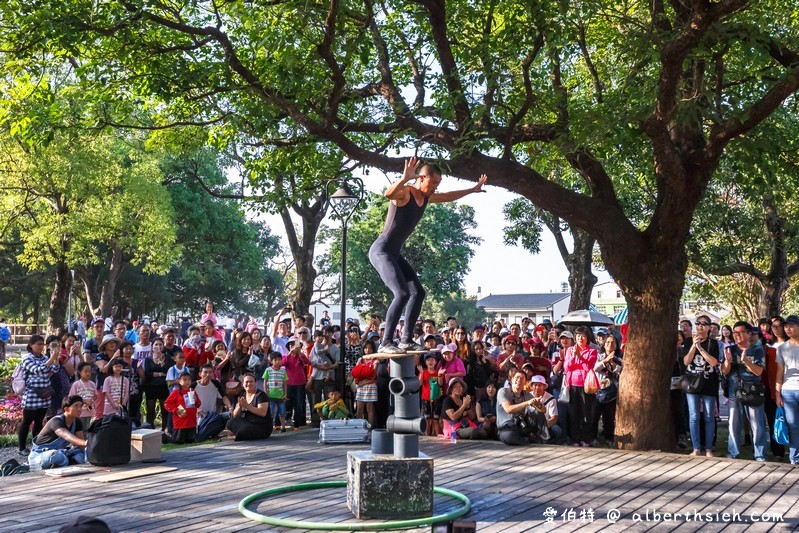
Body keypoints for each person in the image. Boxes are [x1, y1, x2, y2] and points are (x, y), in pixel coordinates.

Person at [369, 157, 487, 354]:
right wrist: (404, 178)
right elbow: (388, 194)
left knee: (418, 292)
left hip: (395, 253)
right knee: (402, 293)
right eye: (433, 183)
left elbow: (448, 196)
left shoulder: (426, 198)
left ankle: (406, 339)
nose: (435, 187)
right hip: (381, 251)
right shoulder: (406, 193)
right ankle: (386, 341)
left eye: (438, 184)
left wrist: (472, 189)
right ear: (422, 178)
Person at [722, 321, 768, 461]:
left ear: (749, 334)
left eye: (741, 332)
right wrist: (728, 361)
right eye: (735, 333)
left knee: (757, 424)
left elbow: (759, 371)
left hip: (753, 390)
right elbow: (724, 372)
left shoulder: (757, 350)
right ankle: (733, 452)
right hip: (734, 390)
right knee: (733, 423)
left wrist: (746, 361)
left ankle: (760, 455)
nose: (737, 336)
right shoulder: (730, 349)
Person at [682, 315, 720, 457]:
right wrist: (693, 346)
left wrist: (701, 349)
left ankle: (709, 448)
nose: (700, 326)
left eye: (704, 324)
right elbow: (686, 361)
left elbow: (714, 362)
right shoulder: (688, 341)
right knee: (694, 416)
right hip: (692, 383)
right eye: (698, 323)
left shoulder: (714, 343)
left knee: (709, 416)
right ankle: (696, 447)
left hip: (709, 382)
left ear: (710, 327)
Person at [18, 335, 59, 456]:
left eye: (42, 344)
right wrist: (51, 359)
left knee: (39, 421)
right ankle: (22, 447)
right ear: (31, 345)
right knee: (27, 421)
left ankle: (36, 446)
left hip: (44, 394)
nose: (41, 347)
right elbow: (37, 370)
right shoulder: (27, 359)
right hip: (32, 395)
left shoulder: (44, 357)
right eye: (39, 344)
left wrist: (55, 359)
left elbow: (55, 370)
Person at [28, 396, 88, 469]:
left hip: (61, 453)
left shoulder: (77, 422)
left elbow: (81, 446)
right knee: (55, 455)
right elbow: (65, 435)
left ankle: (67, 462)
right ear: (66, 409)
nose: (79, 409)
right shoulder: (56, 421)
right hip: (41, 455)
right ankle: (68, 462)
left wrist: (87, 450)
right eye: (76, 406)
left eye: (81, 406)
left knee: (81, 454)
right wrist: (83, 442)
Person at [562, 326, 598, 447]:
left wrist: (580, 356)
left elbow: (588, 367)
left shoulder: (592, 351)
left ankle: (586, 439)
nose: (580, 338)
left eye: (583, 336)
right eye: (578, 336)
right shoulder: (569, 350)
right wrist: (573, 356)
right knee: (573, 413)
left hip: (586, 386)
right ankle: (575, 439)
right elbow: (567, 367)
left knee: (586, 413)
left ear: (587, 338)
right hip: (573, 385)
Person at [776, 315, 799, 465]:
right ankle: (794, 458)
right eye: (785, 326)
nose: (787, 329)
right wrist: (778, 393)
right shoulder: (782, 348)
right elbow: (779, 372)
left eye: (791, 326)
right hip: (788, 391)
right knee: (792, 425)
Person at [225, 373, 272, 441]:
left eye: (251, 381)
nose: (249, 384)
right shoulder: (242, 395)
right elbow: (235, 415)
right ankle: (237, 434)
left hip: (262, 425)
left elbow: (262, 412)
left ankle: (236, 436)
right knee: (230, 422)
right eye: (247, 382)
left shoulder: (261, 395)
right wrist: (239, 407)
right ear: (242, 384)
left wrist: (247, 406)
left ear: (255, 383)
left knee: (244, 430)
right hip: (248, 422)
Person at [594, 336, 623, 445]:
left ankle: (608, 438)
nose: (610, 344)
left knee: (609, 417)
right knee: (595, 415)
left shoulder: (619, 358)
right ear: (604, 344)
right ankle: (593, 437)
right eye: (608, 342)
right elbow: (595, 368)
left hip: (611, 392)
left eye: (613, 342)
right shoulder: (598, 356)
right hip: (598, 390)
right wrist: (605, 361)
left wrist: (612, 363)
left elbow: (620, 371)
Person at [308, 329, 339, 428]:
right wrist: (319, 367)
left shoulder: (335, 348)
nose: (325, 335)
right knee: (316, 399)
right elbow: (312, 361)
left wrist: (328, 368)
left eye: (328, 333)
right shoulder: (317, 346)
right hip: (317, 377)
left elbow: (337, 363)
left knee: (329, 399)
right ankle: (315, 421)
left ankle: (328, 419)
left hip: (328, 377)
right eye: (323, 333)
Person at [496, 371, 537, 446]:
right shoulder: (503, 391)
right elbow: (508, 409)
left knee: (539, 414)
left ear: (525, 382)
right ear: (511, 379)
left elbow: (543, 410)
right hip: (506, 427)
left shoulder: (527, 395)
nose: (519, 380)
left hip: (521, 426)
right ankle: (528, 440)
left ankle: (544, 438)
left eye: (522, 378)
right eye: (517, 377)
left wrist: (539, 404)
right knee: (509, 436)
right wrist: (527, 403)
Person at [142, 337, 172, 431]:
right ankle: (149, 429)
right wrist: (160, 374)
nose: (158, 346)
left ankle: (165, 429)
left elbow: (168, 371)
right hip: (150, 386)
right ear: (152, 347)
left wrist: (161, 361)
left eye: (160, 344)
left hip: (163, 386)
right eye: (156, 344)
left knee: (164, 409)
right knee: (150, 410)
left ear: (163, 346)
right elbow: (147, 373)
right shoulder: (148, 359)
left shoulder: (167, 358)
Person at [164, 372, 201, 443]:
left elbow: (198, 404)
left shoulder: (192, 391)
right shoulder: (176, 392)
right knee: (178, 441)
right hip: (180, 421)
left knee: (190, 440)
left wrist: (196, 400)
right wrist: (176, 410)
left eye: (189, 379)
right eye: (185, 380)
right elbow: (167, 404)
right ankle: (164, 438)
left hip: (191, 421)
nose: (187, 382)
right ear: (179, 381)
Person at [283, 337, 310, 430]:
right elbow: (282, 363)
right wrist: (290, 354)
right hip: (289, 383)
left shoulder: (301, 356)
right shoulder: (286, 356)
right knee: (288, 402)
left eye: (295, 344)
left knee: (299, 403)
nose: (293, 346)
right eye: (291, 344)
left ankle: (297, 423)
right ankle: (288, 418)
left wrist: (300, 353)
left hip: (300, 383)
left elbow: (308, 362)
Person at [528, 375, 561, 443]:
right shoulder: (527, 396)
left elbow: (554, 418)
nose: (537, 387)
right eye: (535, 385)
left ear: (544, 387)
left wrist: (542, 428)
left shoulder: (551, 399)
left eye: (540, 385)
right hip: (531, 424)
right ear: (531, 386)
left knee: (557, 430)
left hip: (546, 424)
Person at [418, 352, 443, 436]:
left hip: (436, 398)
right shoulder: (423, 372)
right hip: (425, 398)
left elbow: (441, 384)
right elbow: (420, 384)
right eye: (428, 360)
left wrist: (439, 375)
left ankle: (437, 436)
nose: (430, 362)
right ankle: (427, 436)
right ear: (425, 362)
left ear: (436, 362)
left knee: (436, 419)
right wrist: (421, 373)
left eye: (432, 360)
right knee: (427, 419)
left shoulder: (438, 372)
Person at [263, 353, 288, 432]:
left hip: (280, 395)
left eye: (279, 360)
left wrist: (285, 394)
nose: (277, 362)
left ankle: (283, 427)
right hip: (270, 395)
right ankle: (269, 427)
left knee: (282, 412)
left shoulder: (283, 371)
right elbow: (265, 382)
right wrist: (266, 392)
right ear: (271, 361)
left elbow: (284, 383)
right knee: (270, 412)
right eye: (275, 360)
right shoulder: (268, 370)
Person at [68, 362, 97, 429]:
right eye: (85, 371)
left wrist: (91, 400)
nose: (88, 373)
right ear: (79, 372)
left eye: (89, 371)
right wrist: (83, 401)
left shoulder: (92, 384)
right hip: (80, 412)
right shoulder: (76, 384)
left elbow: (96, 395)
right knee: (80, 428)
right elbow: (72, 397)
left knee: (89, 428)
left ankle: (87, 439)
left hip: (90, 411)